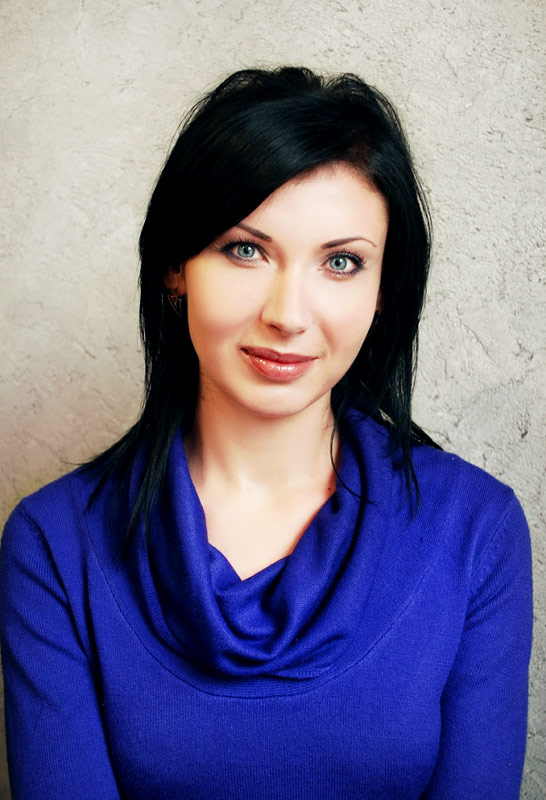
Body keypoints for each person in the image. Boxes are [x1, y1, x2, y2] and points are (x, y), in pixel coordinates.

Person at [0, 66, 533, 800]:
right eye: (245, 250)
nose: (288, 314)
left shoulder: (476, 530)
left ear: (383, 292)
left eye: (341, 262)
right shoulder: (54, 544)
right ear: (175, 267)